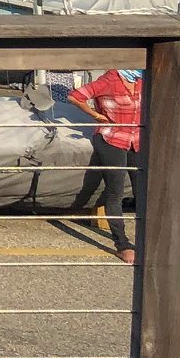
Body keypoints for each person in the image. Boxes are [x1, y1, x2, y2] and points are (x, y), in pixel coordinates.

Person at [68, 68, 142, 265]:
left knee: (143, 192)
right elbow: (75, 96)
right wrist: (96, 115)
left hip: (136, 140)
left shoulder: (142, 80)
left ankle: (147, 238)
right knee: (115, 191)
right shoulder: (109, 80)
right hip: (111, 138)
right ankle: (122, 245)